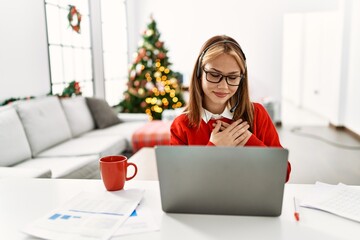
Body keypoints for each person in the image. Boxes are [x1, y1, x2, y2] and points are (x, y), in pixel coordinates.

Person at [170, 35, 291, 182]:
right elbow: (179, 181)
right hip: (202, 204)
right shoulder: (181, 124)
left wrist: (249, 141)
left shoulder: (257, 114)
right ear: (199, 74)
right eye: (214, 75)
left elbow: (282, 174)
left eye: (233, 78)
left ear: (241, 79)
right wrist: (214, 149)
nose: (223, 86)